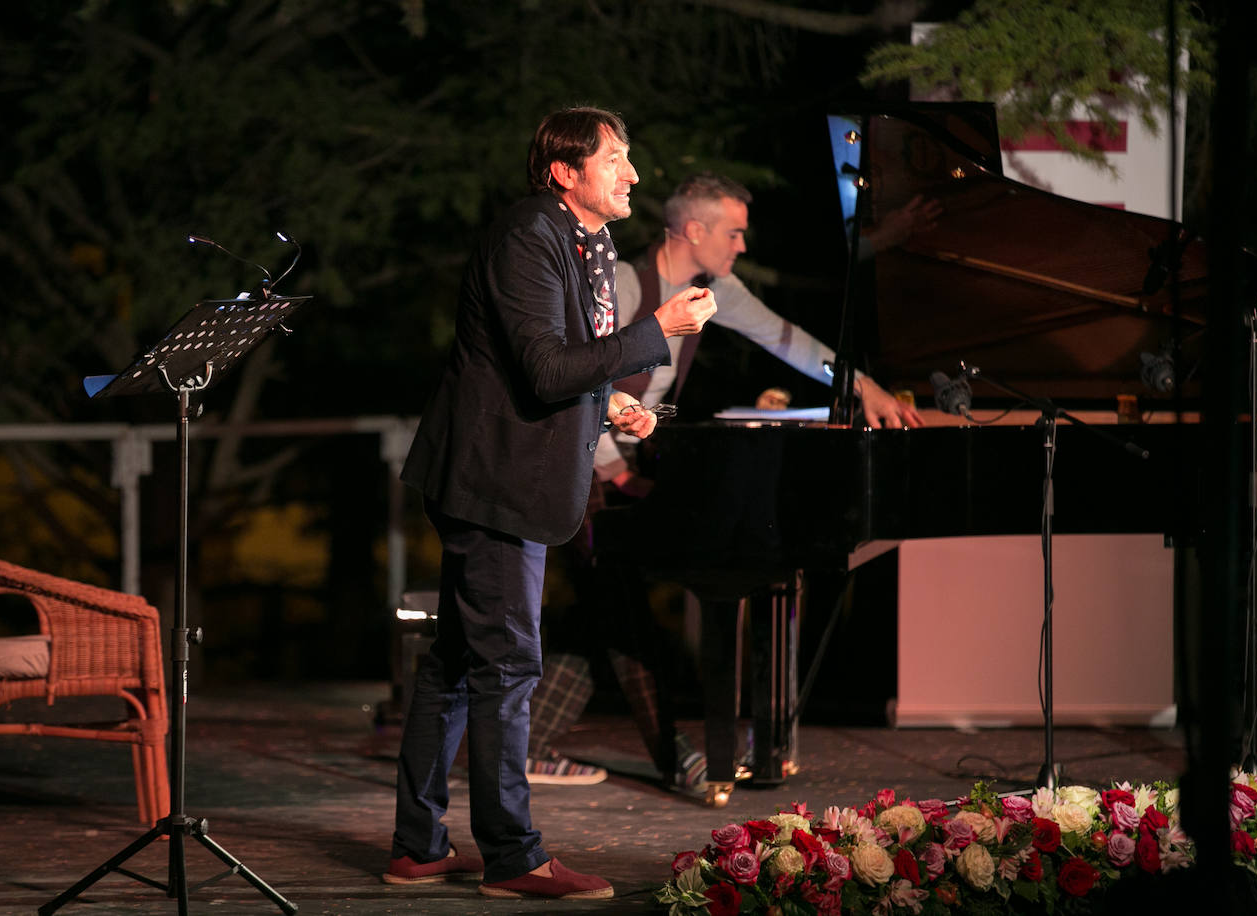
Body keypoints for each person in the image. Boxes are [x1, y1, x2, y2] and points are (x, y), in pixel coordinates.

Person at [384, 108, 717, 900]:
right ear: (565, 172)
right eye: (615, 158)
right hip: (493, 480)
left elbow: (568, 364)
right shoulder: (526, 236)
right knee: (507, 663)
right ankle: (514, 857)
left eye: (630, 157)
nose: (632, 173)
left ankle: (418, 848)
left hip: (513, 475)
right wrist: (659, 329)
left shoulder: (586, 239)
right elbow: (540, 369)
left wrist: (611, 407)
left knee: (460, 663)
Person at [525, 172, 929, 792]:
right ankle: (677, 758)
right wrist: (612, 464)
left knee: (610, 612)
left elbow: (789, 340)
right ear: (695, 230)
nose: (742, 245)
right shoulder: (627, 283)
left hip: (621, 469)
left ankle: (526, 746)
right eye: (734, 232)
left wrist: (865, 386)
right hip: (576, 465)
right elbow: (579, 379)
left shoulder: (716, 289)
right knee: (622, 610)